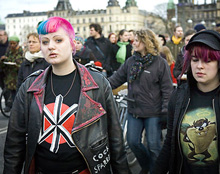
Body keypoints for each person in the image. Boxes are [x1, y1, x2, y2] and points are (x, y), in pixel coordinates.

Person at [3, 16, 130, 174]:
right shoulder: (29, 87)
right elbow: (14, 143)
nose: (51, 46)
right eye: (45, 42)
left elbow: (115, 138)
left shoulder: (98, 84)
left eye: (58, 40)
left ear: (71, 44)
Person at [154, 30, 220, 174]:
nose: (199, 66)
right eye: (195, 60)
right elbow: (169, 144)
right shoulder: (179, 96)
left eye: (207, 60)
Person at [109, 29, 173, 174]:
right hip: (134, 111)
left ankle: (156, 171)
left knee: (154, 146)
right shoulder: (131, 62)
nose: (134, 43)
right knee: (133, 143)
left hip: (153, 112)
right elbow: (116, 79)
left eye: (137, 40)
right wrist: (100, 86)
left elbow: (167, 90)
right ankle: (148, 166)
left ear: (146, 42)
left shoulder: (160, 63)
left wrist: (165, 111)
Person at [0, 35, 23, 112]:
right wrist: (2, 60)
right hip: (9, 78)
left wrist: (9, 59)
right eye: (11, 43)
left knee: (18, 96)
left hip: (17, 78)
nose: (12, 45)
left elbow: (19, 62)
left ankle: (18, 111)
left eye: (14, 43)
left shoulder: (20, 50)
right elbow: (5, 62)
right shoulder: (8, 50)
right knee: (11, 95)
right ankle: (12, 109)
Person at [0, 30, 9, 108]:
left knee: (8, 88)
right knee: (3, 88)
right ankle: (7, 104)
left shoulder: (10, 45)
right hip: (1, 70)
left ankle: (8, 104)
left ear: (5, 36)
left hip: (8, 71)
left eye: (1, 35)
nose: (0, 37)